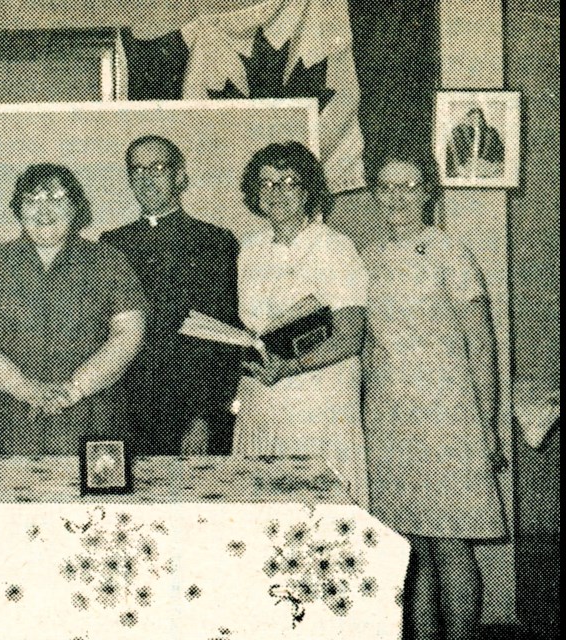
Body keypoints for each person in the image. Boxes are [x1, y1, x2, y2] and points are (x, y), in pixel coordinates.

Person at [362, 147, 506, 640]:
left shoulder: (449, 250)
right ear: (375, 196)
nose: (397, 197)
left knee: (451, 546)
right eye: (387, 188)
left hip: (448, 413)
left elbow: (481, 343)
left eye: (409, 187)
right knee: (409, 549)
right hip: (388, 416)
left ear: (427, 194)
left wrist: (487, 424)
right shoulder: (369, 255)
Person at [0, 163, 145, 455]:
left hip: (92, 419)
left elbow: (129, 333)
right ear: (18, 209)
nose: (44, 211)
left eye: (56, 199)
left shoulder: (109, 261)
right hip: (5, 423)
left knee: (94, 501)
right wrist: (25, 388)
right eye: (32, 201)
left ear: (75, 207)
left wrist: (74, 389)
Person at [231, 141, 369, 506]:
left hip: (316, 403)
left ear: (308, 190)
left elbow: (350, 336)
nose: (275, 192)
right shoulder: (249, 249)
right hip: (261, 398)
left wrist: (290, 366)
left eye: (288, 182)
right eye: (266, 183)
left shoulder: (334, 247)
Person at [99, 135, 240, 455]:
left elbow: (224, 336)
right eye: (137, 170)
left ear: (180, 177)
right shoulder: (111, 244)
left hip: (190, 411)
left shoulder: (214, 241)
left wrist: (205, 417)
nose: (146, 177)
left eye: (158, 167)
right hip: (123, 411)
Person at [445, 107, 505, 179]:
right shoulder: (458, 132)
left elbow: (500, 151)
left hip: (487, 166)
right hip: (465, 167)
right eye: (472, 118)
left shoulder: (491, 132)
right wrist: (462, 165)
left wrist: (491, 164)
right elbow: (452, 153)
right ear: (468, 118)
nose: (476, 121)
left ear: (483, 119)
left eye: (479, 118)